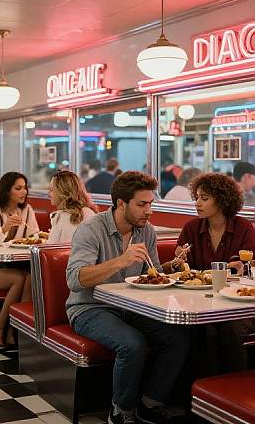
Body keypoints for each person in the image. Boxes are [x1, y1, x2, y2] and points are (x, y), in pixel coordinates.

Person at [67, 171, 189, 424]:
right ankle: (120, 411)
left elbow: (151, 272)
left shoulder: (147, 231)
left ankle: (150, 403)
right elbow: (75, 279)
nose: (149, 211)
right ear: (121, 203)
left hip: (131, 308)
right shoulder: (91, 229)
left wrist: (171, 268)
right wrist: (120, 261)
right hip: (89, 309)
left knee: (178, 338)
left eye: (151, 204)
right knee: (133, 345)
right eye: (142, 204)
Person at [168, 172, 255, 373]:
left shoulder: (243, 227)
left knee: (229, 328)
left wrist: (243, 267)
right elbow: (180, 270)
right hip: (201, 301)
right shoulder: (191, 228)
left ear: (223, 200)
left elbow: (250, 264)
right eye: (196, 198)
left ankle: (232, 389)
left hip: (239, 302)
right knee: (196, 328)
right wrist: (178, 262)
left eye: (204, 199)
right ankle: (197, 389)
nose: (197, 203)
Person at [0, 172, 38, 349]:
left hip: (19, 265)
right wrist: (5, 228)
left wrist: (35, 237)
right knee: (20, 278)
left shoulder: (26, 211)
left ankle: (13, 330)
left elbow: (34, 235)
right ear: (6, 190)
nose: (24, 192)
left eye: (25, 188)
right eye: (18, 188)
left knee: (29, 278)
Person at [47, 170, 96, 243]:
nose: (48, 193)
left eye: (51, 190)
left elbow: (51, 250)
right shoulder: (90, 213)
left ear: (62, 191)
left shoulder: (62, 216)